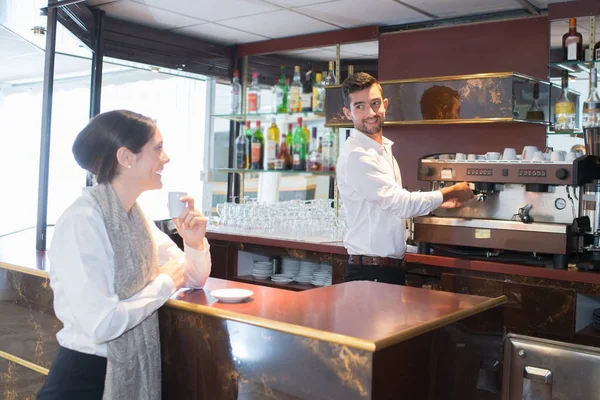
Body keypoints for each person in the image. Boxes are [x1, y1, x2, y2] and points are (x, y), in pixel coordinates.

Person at [37, 110, 211, 400]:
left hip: (124, 366)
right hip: (85, 378)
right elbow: (102, 324)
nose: (165, 158)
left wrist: (193, 243)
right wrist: (163, 285)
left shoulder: (135, 218)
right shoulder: (83, 220)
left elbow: (191, 278)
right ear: (126, 158)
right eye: (157, 148)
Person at [336, 73, 473, 285]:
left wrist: (438, 202)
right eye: (360, 106)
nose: (370, 113)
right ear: (348, 113)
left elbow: (391, 206)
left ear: (385, 104)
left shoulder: (382, 149)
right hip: (370, 272)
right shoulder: (358, 155)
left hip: (386, 269)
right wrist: (449, 191)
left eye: (375, 103)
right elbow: (401, 204)